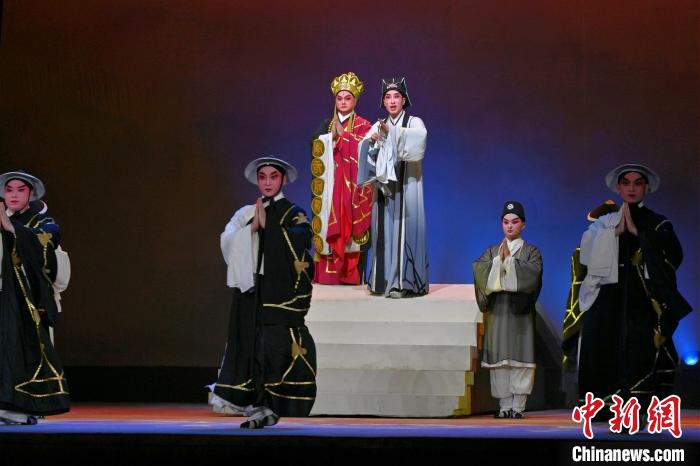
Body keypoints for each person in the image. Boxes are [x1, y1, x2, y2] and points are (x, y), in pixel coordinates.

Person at [208, 157, 316, 428]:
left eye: (273, 176)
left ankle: (272, 404)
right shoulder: (246, 213)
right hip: (251, 289)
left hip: (277, 292)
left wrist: (271, 228)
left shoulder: (294, 213)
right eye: (262, 177)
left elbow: (301, 239)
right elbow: (226, 241)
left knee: (273, 347)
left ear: (283, 180)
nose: (267, 182)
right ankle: (255, 405)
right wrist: (252, 228)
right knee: (250, 345)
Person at [578, 164, 691, 415]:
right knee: (605, 346)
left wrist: (641, 235)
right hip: (609, 298)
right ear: (618, 188)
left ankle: (637, 408)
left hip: (643, 298)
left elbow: (673, 256)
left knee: (641, 349)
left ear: (646, 187)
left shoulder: (659, 223)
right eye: (626, 183)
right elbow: (586, 256)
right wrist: (614, 234)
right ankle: (607, 407)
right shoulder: (604, 223)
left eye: (637, 183)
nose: (631, 188)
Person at [0, 170, 70, 425]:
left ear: (30, 195)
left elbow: (47, 242)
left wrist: (11, 228)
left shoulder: (42, 222)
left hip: (25, 299)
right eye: (9, 190)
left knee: (20, 348)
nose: (14, 195)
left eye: (20, 190)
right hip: (3, 295)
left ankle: (19, 406)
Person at [358, 77, 428, 298]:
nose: (392, 101)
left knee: (407, 228)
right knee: (384, 231)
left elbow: (419, 142)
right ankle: (383, 281)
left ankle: (405, 283)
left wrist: (392, 134)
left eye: (396, 96)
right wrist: (372, 143)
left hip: (407, 186)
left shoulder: (414, 122)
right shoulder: (377, 126)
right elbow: (364, 152)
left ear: (404, 100)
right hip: (385, 191)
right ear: (383, 102)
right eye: (387, 97)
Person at [472, 201, 542, 419]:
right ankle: (504, 406)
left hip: (520, 316)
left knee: (521, 360)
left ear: (523, 224)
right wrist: (497, 263)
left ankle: (518, 407)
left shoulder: (531, 251)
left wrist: (509, 263)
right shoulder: (492, 251)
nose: (510, 226)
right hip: (498, 314)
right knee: (499, 362)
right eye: (506, 222)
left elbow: (533, 275)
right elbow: (479, 269)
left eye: (515, 222)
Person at [311, 72, 373, 285]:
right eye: (340, 98)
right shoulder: (325, 125)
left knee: (354, 235)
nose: (344, 102)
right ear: (335, 100)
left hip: (353, 192)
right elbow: (314, 151)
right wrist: (330, 138)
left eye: (348, 98)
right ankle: (328, 278)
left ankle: (351, 276)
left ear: (355, 101)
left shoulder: (364, 126)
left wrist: (344, 137)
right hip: (330, 189)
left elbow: (369, 152)